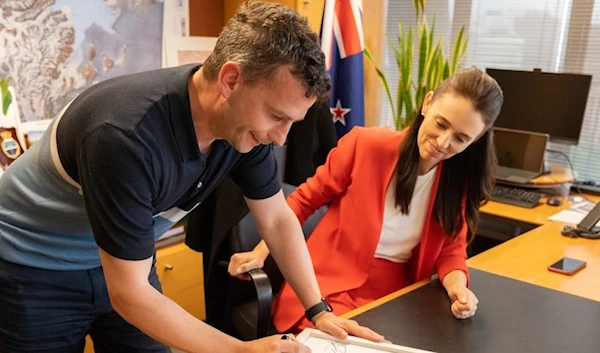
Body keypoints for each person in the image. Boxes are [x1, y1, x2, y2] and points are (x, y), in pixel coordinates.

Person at [0, 3, 384, 353]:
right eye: (276, 116)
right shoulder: (124, 136)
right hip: (34, 268)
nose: (280, 138)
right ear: (230, 80)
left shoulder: (242, 128)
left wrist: (319, 311)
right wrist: (240, 350)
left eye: (291, 122)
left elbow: (278, 220)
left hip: (123, 262)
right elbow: (129, 295)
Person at [229, 66, 504, 333]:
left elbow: (451, 251)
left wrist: (458, 286)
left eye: (460, 138)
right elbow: (304, 200)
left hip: (399, 297)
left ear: (475, 140)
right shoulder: (366, 146)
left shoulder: (457, 183)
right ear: (428, 103)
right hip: (331, 283)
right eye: (441, 124)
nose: (443, 142)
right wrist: (262, 250)